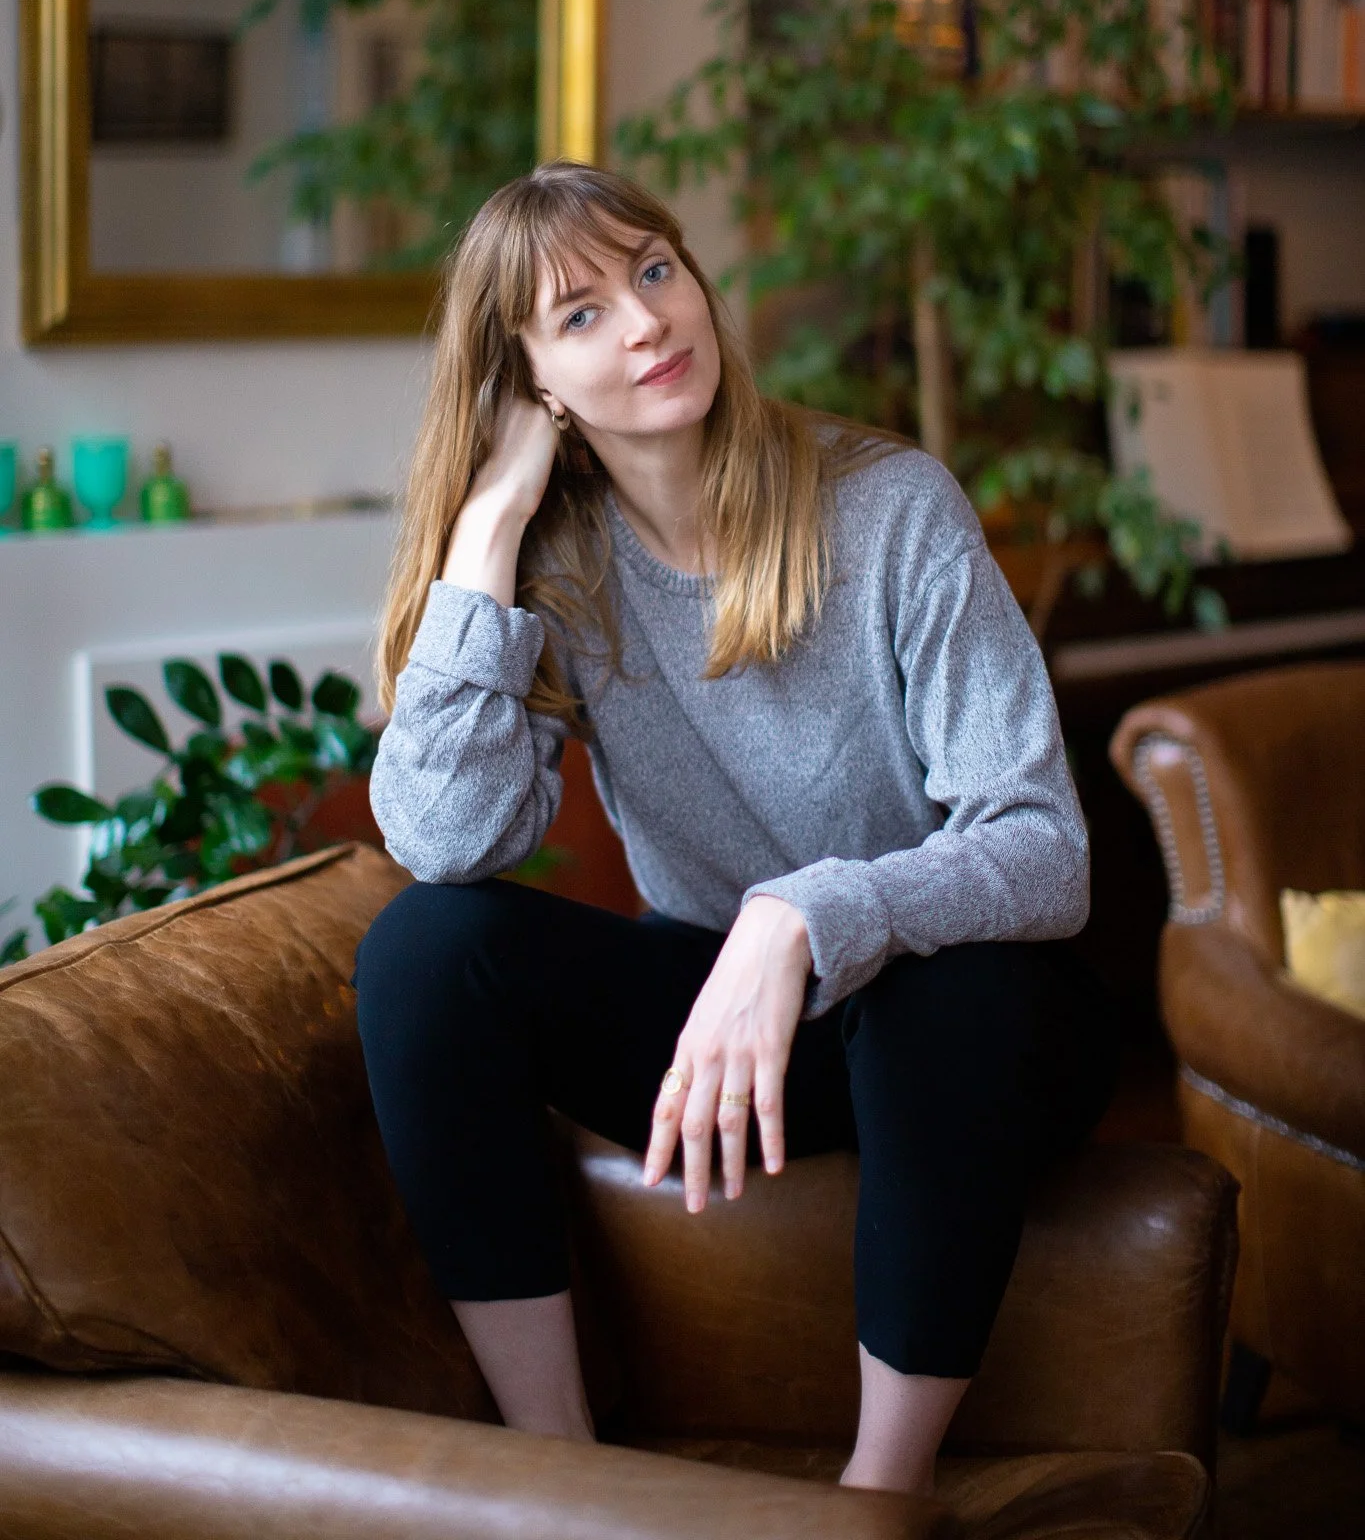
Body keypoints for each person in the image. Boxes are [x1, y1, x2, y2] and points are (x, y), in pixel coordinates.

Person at [352, 159, 1115, 1497]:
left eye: (655, 270)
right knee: (426, 949)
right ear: (525, 380)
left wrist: (804, 914)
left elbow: (1045, 846)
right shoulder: (563, 565)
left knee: (957, 992)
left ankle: (878, 1500)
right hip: (738, 1033)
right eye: (579, 313)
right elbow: (446, 838)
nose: (648, 320)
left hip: (961, 1019)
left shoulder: (889, 508)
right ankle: (560, 1471)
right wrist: (490, 527)